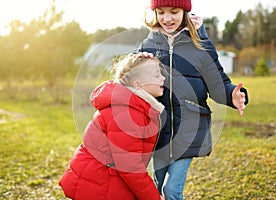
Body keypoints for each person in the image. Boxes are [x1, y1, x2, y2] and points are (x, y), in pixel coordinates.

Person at [138, 0, 249, 199]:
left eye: (174, 11)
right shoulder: (148, 44)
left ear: (185, 11)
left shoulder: (200, 45)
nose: (167, 18)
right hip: (158, 132)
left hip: (188, 130)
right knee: (154, 188)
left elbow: (217, 84)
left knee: (171, 190)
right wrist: (138, 65)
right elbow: (133, 80)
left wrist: (233, 94)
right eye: (161, 12)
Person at [59, 53, 166, 200]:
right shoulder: (127, 115)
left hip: (102, 178)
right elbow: (130, 168)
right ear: (137, 84)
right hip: (99, 183)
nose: (163, 78)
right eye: (156, 76)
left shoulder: (134, 107)